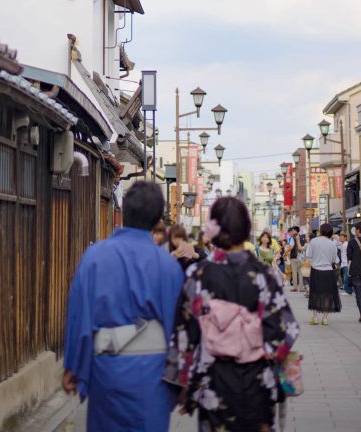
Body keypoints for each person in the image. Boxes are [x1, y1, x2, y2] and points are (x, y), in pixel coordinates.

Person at [164, 196, 300, 432]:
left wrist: (181, 386)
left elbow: (184, 335)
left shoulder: (198, 274)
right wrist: (260, 351)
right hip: (259, 383)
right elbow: (287, 329)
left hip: (213, 382)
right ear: (246, 230)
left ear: (213, 231)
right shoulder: (263, 275)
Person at [62, 181, 184, 432]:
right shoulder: (168, 266)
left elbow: (79, 315)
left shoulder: (94, 258)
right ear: (156, 219)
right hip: (154, 372)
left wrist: (73, 365)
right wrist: (183, 379)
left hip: (107, 370)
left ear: (124, 212)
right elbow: (179, 328)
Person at [306, 222, 341, 326]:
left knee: (315, 293)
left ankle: (315, 317)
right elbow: (334, 259)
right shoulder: (332, 244)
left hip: (316, 270)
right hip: (328, 271)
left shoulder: (313, 241)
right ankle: (325, 318)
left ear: (320, 231)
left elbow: (308, 255)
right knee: (327, 294)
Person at [287, 226, 304, 291]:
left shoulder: (292, 238)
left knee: (294, 272)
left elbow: (291, 247)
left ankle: (295, 287)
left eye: (293, 230)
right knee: (300, 272)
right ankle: (301, 288)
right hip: (300, 257)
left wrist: (286, 252)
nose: (292, 232)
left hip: (294, 256)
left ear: (294, 231)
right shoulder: (301, 237)